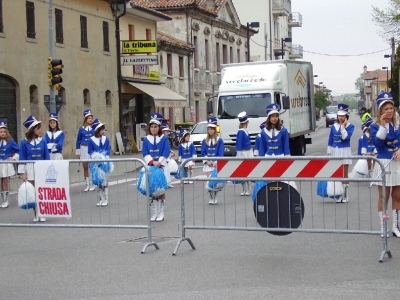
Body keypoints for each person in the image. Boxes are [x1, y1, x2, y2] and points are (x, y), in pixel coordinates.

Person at [369, 92, 400, 238]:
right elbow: (378, 144)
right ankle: (383, 226)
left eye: (391, 108)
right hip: (383, 162)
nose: (389, 111)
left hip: (397, 162)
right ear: (381, 110)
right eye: (386, 108)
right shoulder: (375, 126)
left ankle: (396, 226)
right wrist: (382, 126)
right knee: (384, 196)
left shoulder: (398, 123)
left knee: (398, 195)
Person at [18, 115, 50, 222]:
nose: (41, 130)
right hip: (30, 168)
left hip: (41, 167)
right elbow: (22, 157)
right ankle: (36, 212)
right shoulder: (24, 142)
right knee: (33, 191)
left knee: (41, 190)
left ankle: (43, 211)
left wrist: (48, 169)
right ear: (33, 130)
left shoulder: (43, 141)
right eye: (38, 128)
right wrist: (23, 173)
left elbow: (47, 156)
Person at [142, 112, 170, 222]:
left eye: (156, 127)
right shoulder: (146, 139)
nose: (153, 129)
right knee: (153, 190)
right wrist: (152, 162)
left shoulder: (163, 138)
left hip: (161, 165)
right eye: (152, 127)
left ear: (159, 128)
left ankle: (161, 212)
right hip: (151, 165)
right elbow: (145, 152)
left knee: (161, 190)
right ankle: (155, 212)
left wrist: (160, 161)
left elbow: (166, 150)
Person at [327, 103, 355, 203]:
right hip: (335, 150)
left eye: (343, 116)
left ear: (346, 116)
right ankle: (338, 194)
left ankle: (345, 194)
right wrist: (329, 150)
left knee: (344, 173)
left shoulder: (350, 126)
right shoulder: (333, 126)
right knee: (336, 173)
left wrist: (343, 126)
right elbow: (330, 139)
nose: (340, 118)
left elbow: (345, 137)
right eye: (339, 115)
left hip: (344, 150)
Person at [88, 118, 112, 207]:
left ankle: (106, 199)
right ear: (96, 130)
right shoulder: (91, 140)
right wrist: (96, 157)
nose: (103, 132)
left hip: (104, 163)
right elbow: (90, 151)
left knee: (105, 181)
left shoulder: (106, 139)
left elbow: (108, 149)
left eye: (103, 130)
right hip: (96, 163)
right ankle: (101, 199)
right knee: (98, 181)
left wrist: (104, 157)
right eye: (101, 130)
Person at [201, 116, 224, 205]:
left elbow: (220, 152)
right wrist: (207, 161)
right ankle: (211, 197)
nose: (210, 131)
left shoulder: (219, 140)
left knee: (215, 182)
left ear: (215, 129)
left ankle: (215, 196)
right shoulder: (204, 140)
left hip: (216, 164)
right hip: (208, 164)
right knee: (209, 181)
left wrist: (216, 162)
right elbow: (203, 151)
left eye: (211, 129)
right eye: (208, 129)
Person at [0, 120, 19, 208]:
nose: (2, 133)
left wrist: (13, 157)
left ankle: (6, 200)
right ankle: (2, 199)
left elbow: (18, 150)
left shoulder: (10, 141)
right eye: (1, 132)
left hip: (6, 164)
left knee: (5, 181)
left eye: (4, 132)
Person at [76, 109, 95, 192]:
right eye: (88, 118)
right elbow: (78, 140)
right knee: (85, 167)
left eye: (91, 118)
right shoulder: (81, 129)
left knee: (92, 167)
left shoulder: (94, 128)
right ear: (85, 119)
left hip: (91, 149)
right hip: (83, 148)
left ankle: (93, 184)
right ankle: (87, 184)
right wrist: (78, 152)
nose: (90, 119)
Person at [235, 111, 253, 196]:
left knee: (247, 171)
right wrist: (239, 154)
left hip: (248, 152)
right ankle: (244, 188)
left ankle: (248, 189)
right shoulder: (241, 131)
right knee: (244, 172)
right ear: (247, 122)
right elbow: (239, 143)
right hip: (244, 153)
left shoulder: (245, 131)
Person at [161, 122, 175, 188]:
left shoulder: (166, 138)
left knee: (167, 170)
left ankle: (168, 182)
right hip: (163, 157)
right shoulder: (161, 139)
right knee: (164, 170)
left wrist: (171, 152)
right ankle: (165, 183)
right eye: (166, 131)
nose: (168, 133)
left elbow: (168, 148)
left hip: (167, 157)